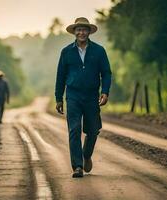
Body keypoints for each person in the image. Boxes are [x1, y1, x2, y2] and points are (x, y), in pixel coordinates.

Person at [55, 17, 112, 178]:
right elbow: (60, 76)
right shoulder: (66, 52)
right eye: (78, 29)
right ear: (74, 32)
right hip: (72, 96)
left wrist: (105, 91)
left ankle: (86, 155)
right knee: (74, 129)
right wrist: (58, 97)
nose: (81, 32)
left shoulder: (99, 51)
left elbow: (106, 73)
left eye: (84, 29)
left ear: (89, 32)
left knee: (93, 130)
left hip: (91, 96)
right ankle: (77, 166)